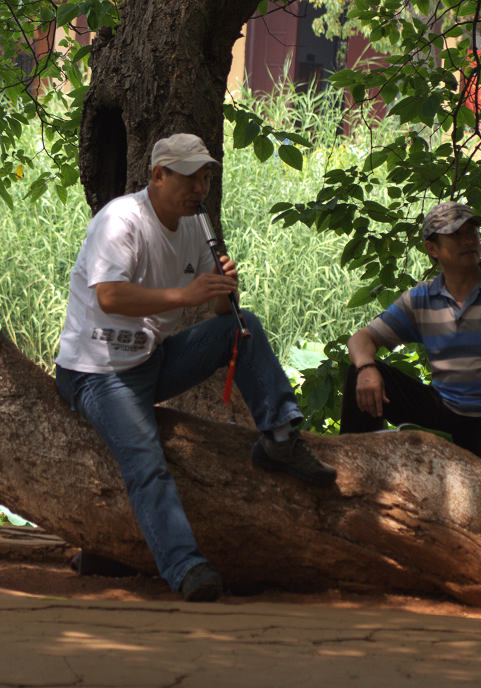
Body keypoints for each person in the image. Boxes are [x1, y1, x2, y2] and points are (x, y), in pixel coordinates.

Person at [54, 133, 337, 602]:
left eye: (205, 177)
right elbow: (110, 296)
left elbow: (220, 317)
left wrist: (226, 291)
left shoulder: (194, 226)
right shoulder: (121, 221)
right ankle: (187, 568)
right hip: (97, 371)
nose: (199, 188)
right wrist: (184, 295)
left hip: (149, 359)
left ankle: (281, 436)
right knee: (146, 462)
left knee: (243, 329)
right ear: (158, 175)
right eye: (188, 176)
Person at [340, 201, 481, 494]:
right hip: (446, 412)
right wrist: (367, 368)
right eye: (456, 235)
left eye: (472, 233)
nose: (468, 241)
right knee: (357, 373)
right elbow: (361, 339)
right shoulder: (421, 298)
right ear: (432, 249)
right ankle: (356, 477)